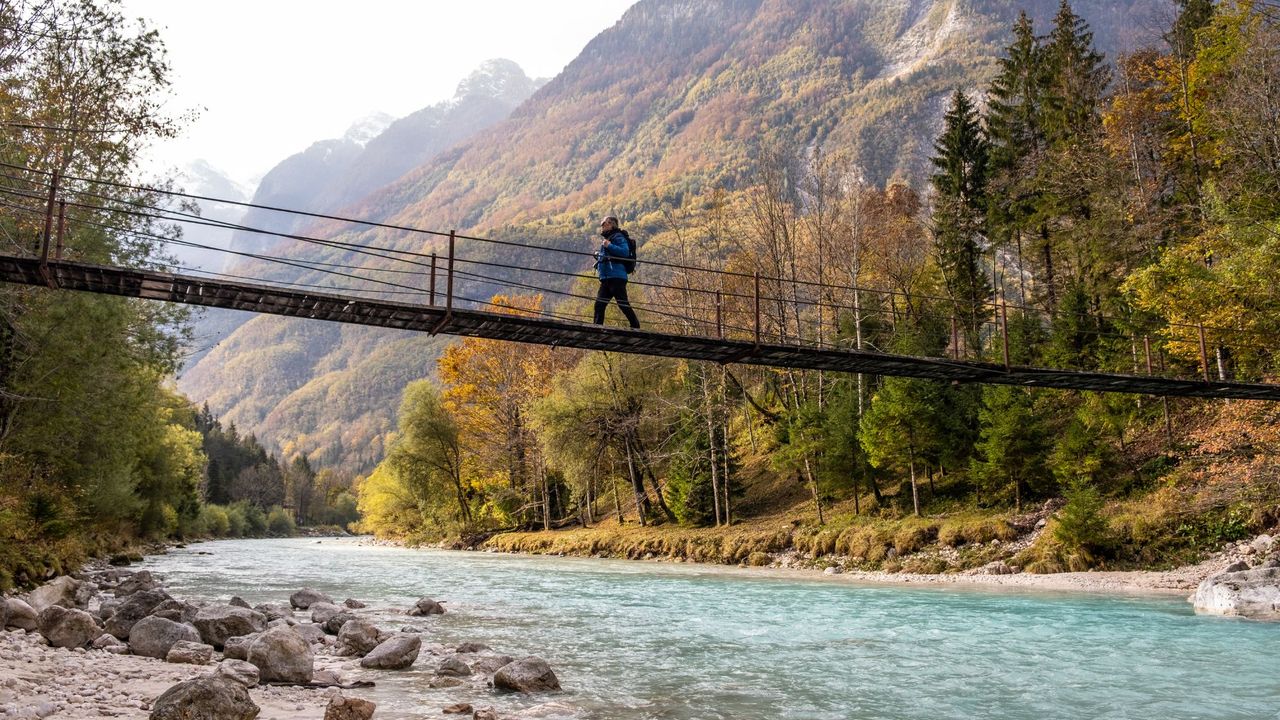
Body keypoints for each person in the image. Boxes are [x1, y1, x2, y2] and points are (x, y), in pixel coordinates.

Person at [593, 216, 640, 329]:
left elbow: (624, 252)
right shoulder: (609, 238)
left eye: (605, 223)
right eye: (602, 224)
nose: (602, 226)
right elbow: (608, 256)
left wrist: (609, 245)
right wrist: (598, 255)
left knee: (622, 303)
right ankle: (596, 329)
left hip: (616, 277)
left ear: (612, 225)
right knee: (599, 304)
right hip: (607, 278)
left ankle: (635, 325)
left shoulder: (618, 236)